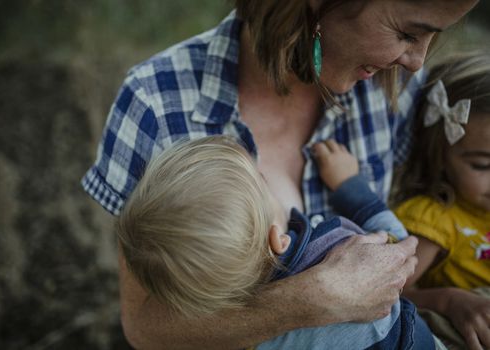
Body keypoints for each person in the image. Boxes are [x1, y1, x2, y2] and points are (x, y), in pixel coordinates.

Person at [81, 0, 478, 348]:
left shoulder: (395, 85)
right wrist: (307, 301)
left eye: (431, 36)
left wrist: (445, 301)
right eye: (407, 32)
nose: (416, 61)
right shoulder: (155, 103)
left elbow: (396, 273)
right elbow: (145, 326)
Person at [117, 135, 432, 349]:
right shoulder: (332, 247)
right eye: (263, 181)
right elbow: (400, 257)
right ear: (277, 238)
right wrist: (352, 189)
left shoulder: (238, 334)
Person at [393, 51, 490, 350]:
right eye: (482, 166)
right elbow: (388, 294)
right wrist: (447, 300)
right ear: (440, 156)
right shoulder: (435, 218)